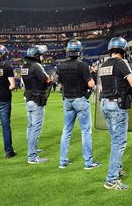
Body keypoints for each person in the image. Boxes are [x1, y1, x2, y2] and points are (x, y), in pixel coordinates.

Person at [99, 37, 132, 190]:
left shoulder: (103, 65)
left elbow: (102, 88)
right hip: (117, 104)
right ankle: (111, 180)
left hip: (105, 104)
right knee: (119, 142)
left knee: (114, 138)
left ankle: (118, 168)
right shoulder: (121, 63)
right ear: (123, 50)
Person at [57, 39, 101, 170]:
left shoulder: (61, 65)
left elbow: (60, 85)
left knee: (66, 131)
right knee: (85, 132)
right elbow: (91, 84)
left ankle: (62, 161)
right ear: (79, 51)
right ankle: (88, 162)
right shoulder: (82, 65)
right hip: (80, 100)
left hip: (67, 100)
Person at [21, 45, 52, 164]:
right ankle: (32, 156)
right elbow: (46, 80)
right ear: (37, 56)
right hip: (37, 98)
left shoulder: (24, 66)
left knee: (30, 126)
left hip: (28, 98)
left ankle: (32, 149)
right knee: (35, 128)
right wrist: (50, 80)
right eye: (40, 55)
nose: (42, 57)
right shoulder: (36, 66)